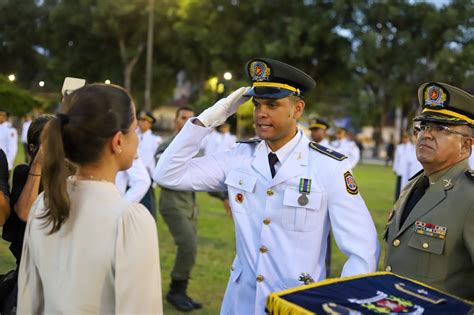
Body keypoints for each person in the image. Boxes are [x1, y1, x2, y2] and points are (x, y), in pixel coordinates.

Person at [154, 58, 380, 314]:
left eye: (273, 105)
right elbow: (167, 174)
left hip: (296, 305)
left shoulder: (329, 167)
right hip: (241, 303)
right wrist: (210, 118)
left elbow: (363, 249)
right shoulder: (238, 157)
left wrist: (340, 306)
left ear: (297, 110)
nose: (261, 112)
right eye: (257, 104)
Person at [18, 83, 162, 313]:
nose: (137, 139)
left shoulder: (43, 204)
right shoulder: (130, 221)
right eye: (134, 130)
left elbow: (29, 300)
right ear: (117, 141)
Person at [384, 82, 473, 300]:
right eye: (423, 126)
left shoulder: (470, 198)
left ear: (466, 146)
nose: (426, 134)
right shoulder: (413, 185)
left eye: (441, 128)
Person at [0, 114, 53, 313]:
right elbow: (24, 213)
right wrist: (38, 165)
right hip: (28, 269)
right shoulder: (24, 172)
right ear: (32, 148)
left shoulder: (70, 175)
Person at [156, 106, 203, 312]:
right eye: (182, 117)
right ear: (175, 121)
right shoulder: (166, 146)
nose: (186, 121)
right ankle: (175, 291)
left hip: (190, 205)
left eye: (190, 118)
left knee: (191, 249)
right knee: (188, 246)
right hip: (172, 204)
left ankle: (181, 290)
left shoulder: (197, 147)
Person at [137, 110, 162, 216]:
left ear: (150, 123)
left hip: (147, 174)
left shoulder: (155, 140)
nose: (141, 123)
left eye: (145, 121)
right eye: (140, 120)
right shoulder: (133, 135)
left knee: (147, 203)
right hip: (132, 174)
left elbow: (157, 159)